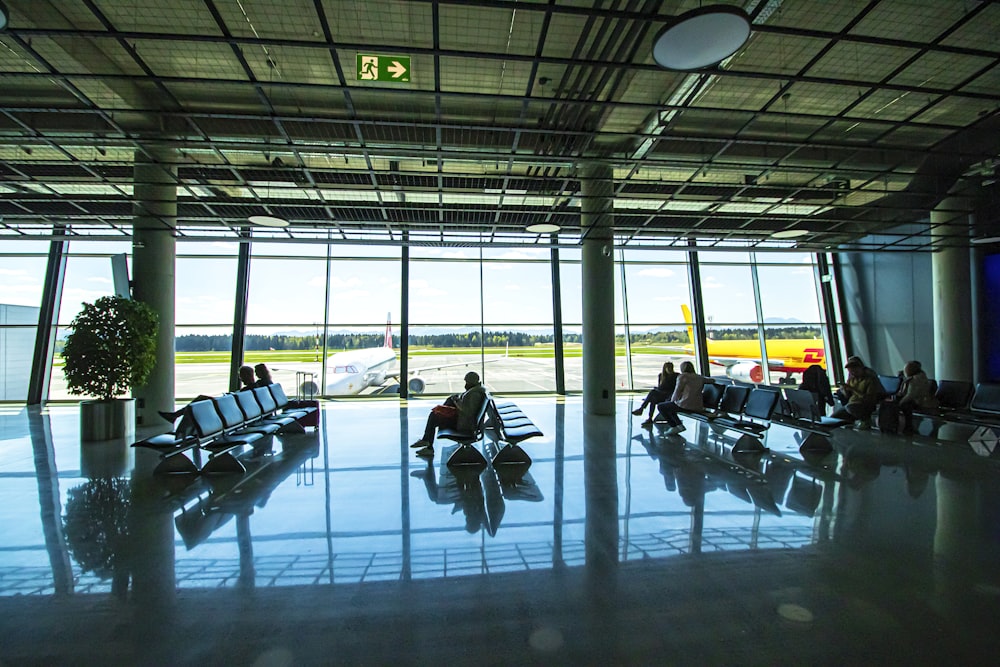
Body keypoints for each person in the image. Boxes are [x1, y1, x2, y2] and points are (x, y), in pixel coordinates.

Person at [411, 371, 488, 458]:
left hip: (464, 425)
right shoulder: (476, 390)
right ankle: (427, 442)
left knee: (434, 416)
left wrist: (457, 401)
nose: (465, 385)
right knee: (442, 407)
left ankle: (428, 444)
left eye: (467, 382)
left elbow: (467, 412)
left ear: (471, 382)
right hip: (465, 421)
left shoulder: (474, 394)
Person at [654, 361, 707, 435]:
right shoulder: (699, 377)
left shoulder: (682, 377)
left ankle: (674, 426)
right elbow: (711, 380)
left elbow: (677, 391)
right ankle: (678, 425)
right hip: (697, 406)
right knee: (671, 407)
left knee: (661, 406)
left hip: (686, 405)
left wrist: (672, 401)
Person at [831, 356, 881, 430]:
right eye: (851, 371)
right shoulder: (852, 380)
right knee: (833, 419)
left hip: (864, 405)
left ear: (861, 368)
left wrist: (853, 389)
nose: (853, 373)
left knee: (850, 408)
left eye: (855, 371)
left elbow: (869, 398)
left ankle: (865, 419)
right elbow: (847, 396)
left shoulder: (870, 380)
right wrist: (844, 389)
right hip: (851, 404)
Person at [897, 360, 938, 435]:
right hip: (920, 401)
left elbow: (911, 395)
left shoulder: (915, 380)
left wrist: (900, 402)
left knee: (905, 405)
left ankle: (908, 427)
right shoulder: (920, 376)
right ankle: (908, 426)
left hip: (922, 402)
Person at [632, 361, 679, 426]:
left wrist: (658, 389)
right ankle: (649, 417)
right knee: (653, 399)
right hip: (662, 394)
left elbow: (673, 388)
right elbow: (661, 387)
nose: (669, 369)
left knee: (652, 393)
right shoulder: (661, 376)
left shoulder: (676, 376)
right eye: (668, 368)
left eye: (671, 368)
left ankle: (641, 409)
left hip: (669, 395)